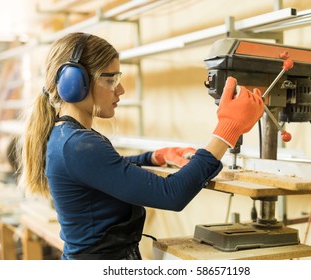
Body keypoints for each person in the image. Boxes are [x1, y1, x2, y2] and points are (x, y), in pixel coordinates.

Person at [18, 32, 264, 260]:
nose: (120, 89)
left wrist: (152, 157)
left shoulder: (68, 136)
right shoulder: (79, 145)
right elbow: (171, 195)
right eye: (110, 78)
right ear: (75, 81)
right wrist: (227, 129)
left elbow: (107, 171)